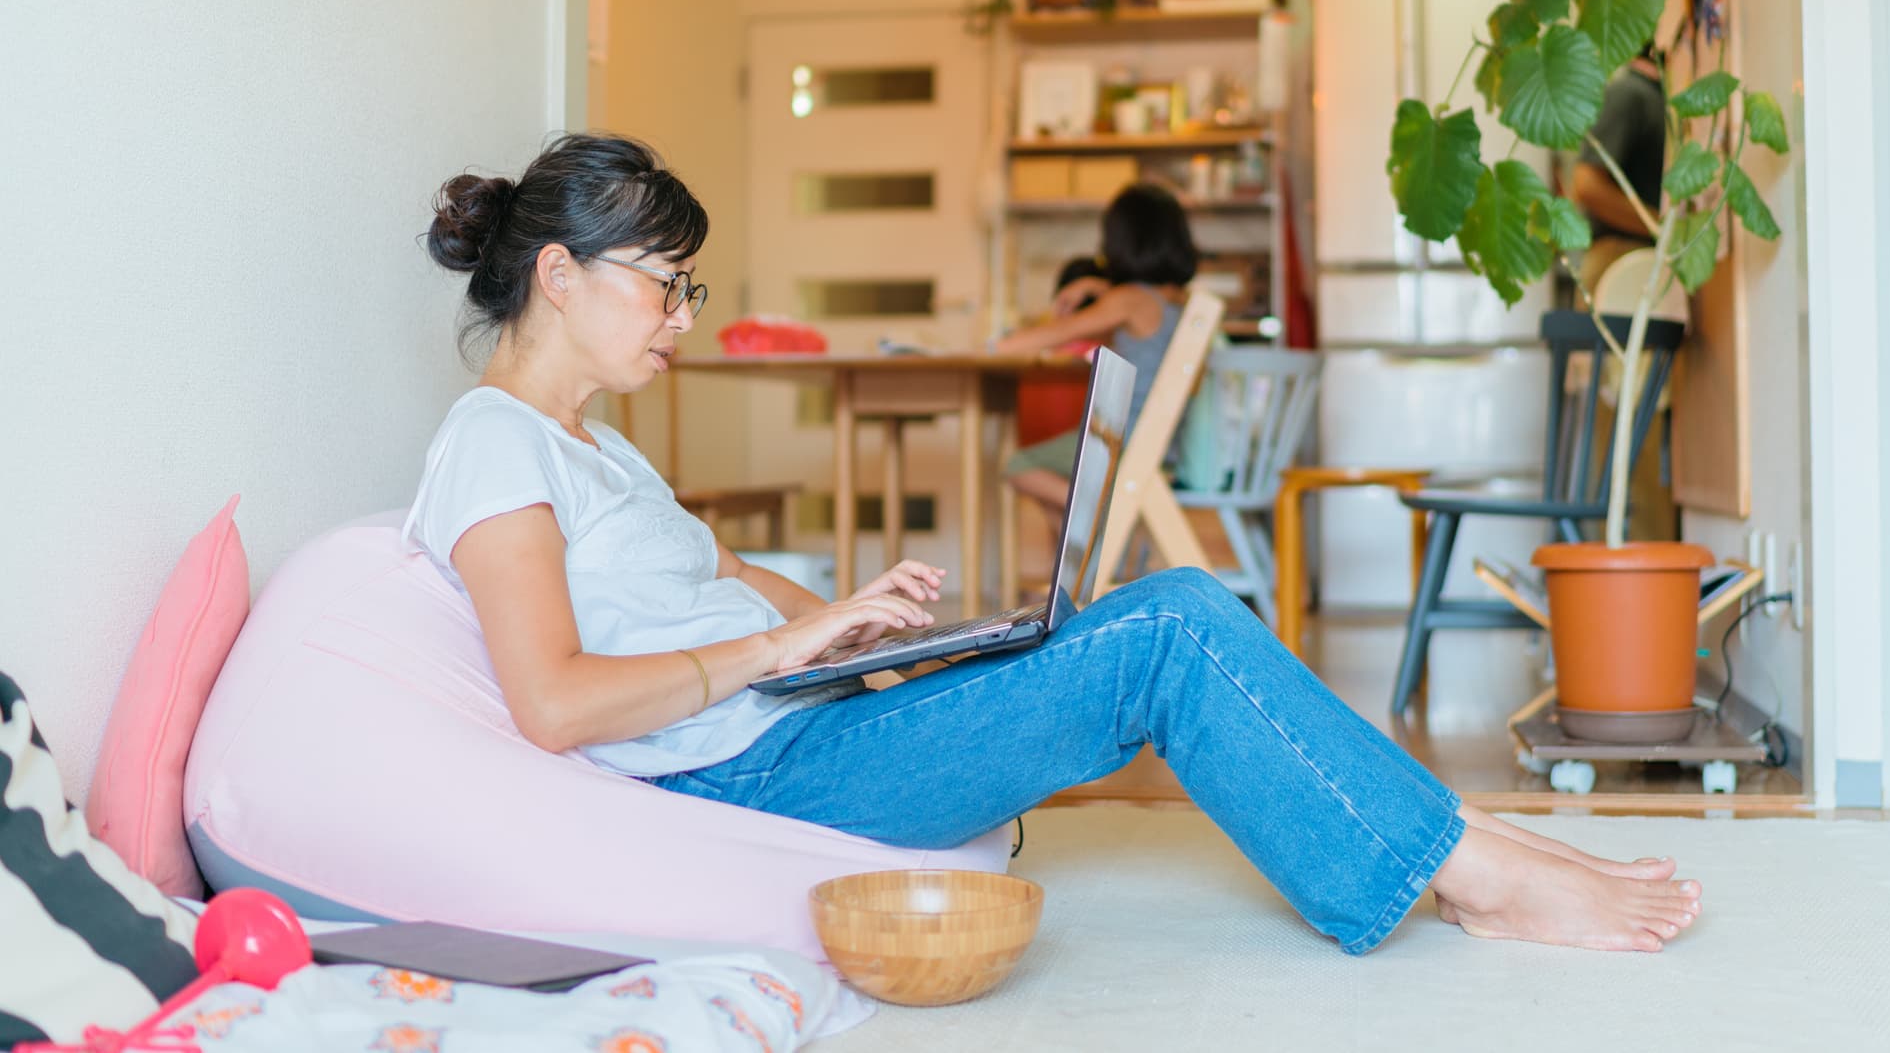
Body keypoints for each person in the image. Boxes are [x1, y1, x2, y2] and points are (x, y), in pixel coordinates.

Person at [404, 132, 1702, 956]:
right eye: (662, 280)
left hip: (803, 718)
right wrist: (775, 645)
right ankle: (1471, 867)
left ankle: (1459, 840)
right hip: (758, 772)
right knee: (1173, 627)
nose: (682, 314)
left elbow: (713, 582)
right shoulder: (494, 441)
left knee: (1150, 616)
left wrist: (847, 618)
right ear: (560, 273)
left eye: (689, 286)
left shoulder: (596, 446)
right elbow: (555, 699)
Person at [990, 185, 1193, 532]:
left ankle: (1103, 515)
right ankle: (1070, 583)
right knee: (1055, 480)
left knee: (1019, 466)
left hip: (1123, 444)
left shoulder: (1128, 299)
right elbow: (1137, 307)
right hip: (1168, 445)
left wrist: (1000, 342)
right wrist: (1095, 287)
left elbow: (1055, 334)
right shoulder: (1180, 301)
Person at [1571, 55, 1667, 294]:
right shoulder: (1629, 94)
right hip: (1619, 259)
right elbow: (1587, 185)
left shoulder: (1651, 96)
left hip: (1635, 261)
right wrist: (1660, 226)